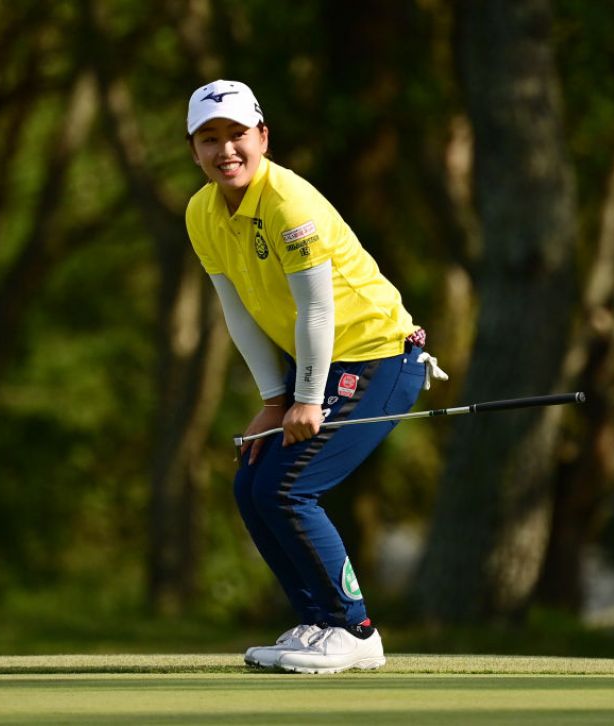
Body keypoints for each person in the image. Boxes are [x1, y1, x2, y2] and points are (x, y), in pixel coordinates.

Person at [184, 80, 446, 674]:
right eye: (210, 138)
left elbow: (317, 310)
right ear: (194, 151)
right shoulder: (202, 212)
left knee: (289, 487)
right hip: (320, 366)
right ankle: (316, 622)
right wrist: (276, 400)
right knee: (253, 483)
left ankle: (356, 630)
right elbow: (237, 310)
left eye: (237, 135)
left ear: (263, 138)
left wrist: (304, 398)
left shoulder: (288, 204)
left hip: (379, 357)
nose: (226, 149)